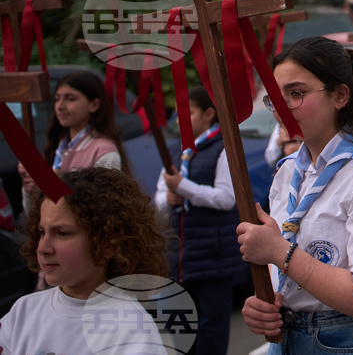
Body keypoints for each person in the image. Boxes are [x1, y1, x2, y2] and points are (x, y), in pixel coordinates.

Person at [237, 37, 353, 352]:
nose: (283, 107)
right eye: (276, 97)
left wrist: (280, 253)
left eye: (297, 93)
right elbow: (286, 274)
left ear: (340, 96)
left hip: (350, 339)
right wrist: (264, 303)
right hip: (289, 335)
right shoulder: (288, 170)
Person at [0, 167, 169, 353]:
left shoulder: (131, 330)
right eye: (42, 232)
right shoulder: (24, 311)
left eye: (63, 233)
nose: (43, 248)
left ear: (108, 244)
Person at [154, 86, 243, 355]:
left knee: (211, 325)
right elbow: (160, 193)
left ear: (208, 114)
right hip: (181, 252)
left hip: (212, 252)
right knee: (181, 324)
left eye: (188, 112)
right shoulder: (176, 150)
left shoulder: (223, 147)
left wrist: (184, 187)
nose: (181, 119)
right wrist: (167, 198)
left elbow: (227, 198)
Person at [18, 71, 128, 215]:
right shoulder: (57, 147)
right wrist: (31, 189)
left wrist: (46, 188)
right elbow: (32, 212)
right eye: (57, 99)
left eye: (70, 99)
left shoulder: (103, 151)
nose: (60, 106)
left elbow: (103, 210)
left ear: (94, 105)